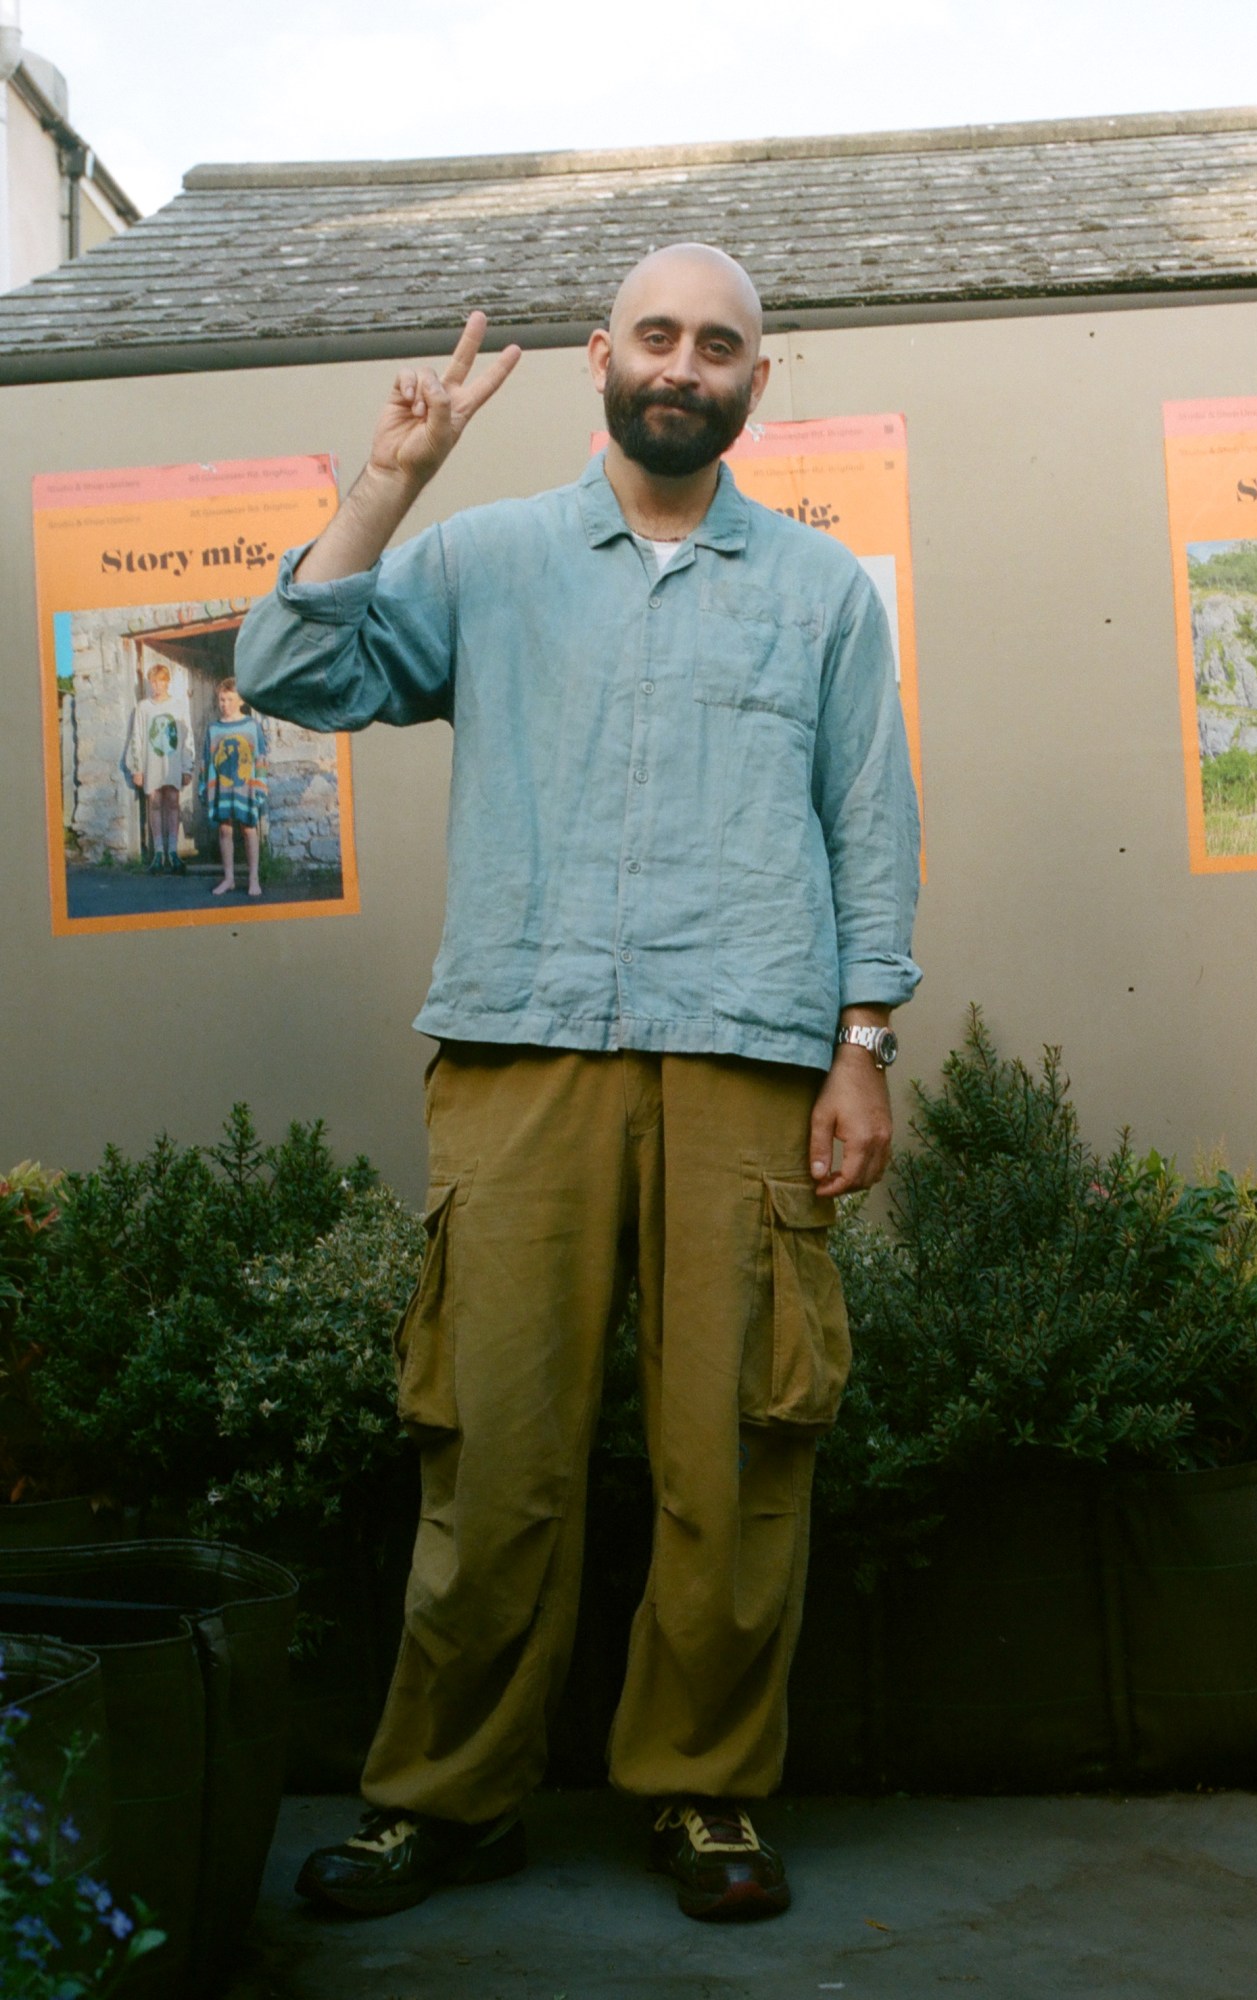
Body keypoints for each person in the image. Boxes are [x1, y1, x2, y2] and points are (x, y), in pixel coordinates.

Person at [236, 243, 921, 1926]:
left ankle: (702, 1792)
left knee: (736, 1457)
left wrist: (864, 1051)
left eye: (721, 343)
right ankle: (446, 1802)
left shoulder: (825, 594)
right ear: (602, 359)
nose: (684, 364)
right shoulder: (488, 558)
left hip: (749, 1064)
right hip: (520, 1051)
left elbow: (870, 829)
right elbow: (288, 671)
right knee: (495, 1450)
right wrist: (387, 484)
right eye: (657, 335)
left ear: (762, 380)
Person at [202, 676, 267, 897]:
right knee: (224, 829)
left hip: (245, 787)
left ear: (240, 700)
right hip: (222, 787)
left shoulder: (251, 726)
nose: (225, 705)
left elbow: (260, 759)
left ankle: (253, 879)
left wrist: (259, 787)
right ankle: (228, 878)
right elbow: (207, 761)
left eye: (230, 700)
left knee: (249, 829)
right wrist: (205, 788)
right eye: (221, 700)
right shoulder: (213, 729)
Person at [128, 661, 194, 873]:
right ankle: (158, 853)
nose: (157, 686)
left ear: (167, 682)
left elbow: (186, 737)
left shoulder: (178, 706)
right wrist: (137, 767)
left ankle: (173, 852)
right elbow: (137, 737)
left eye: (161, 681)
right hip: (152, 762)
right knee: (155, 802)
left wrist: (187, 767)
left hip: (172, 761)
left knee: (173, 800)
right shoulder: (143, 707)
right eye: (153, 682)